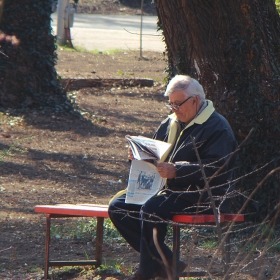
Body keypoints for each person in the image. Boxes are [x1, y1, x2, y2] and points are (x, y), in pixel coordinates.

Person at [108, 75, 238, 280]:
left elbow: (216, 168)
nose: (173, 109)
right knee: (118, 207)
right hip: (168, 190)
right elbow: (156, 155)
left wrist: (177, 170)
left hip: (204, 195)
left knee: (152, 208)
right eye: (171, 104)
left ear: (195, 101)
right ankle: (168, 261)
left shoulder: (217, 127)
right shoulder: (170, 122)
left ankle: (146, 272)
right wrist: (137, 158)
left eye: (178, 104)